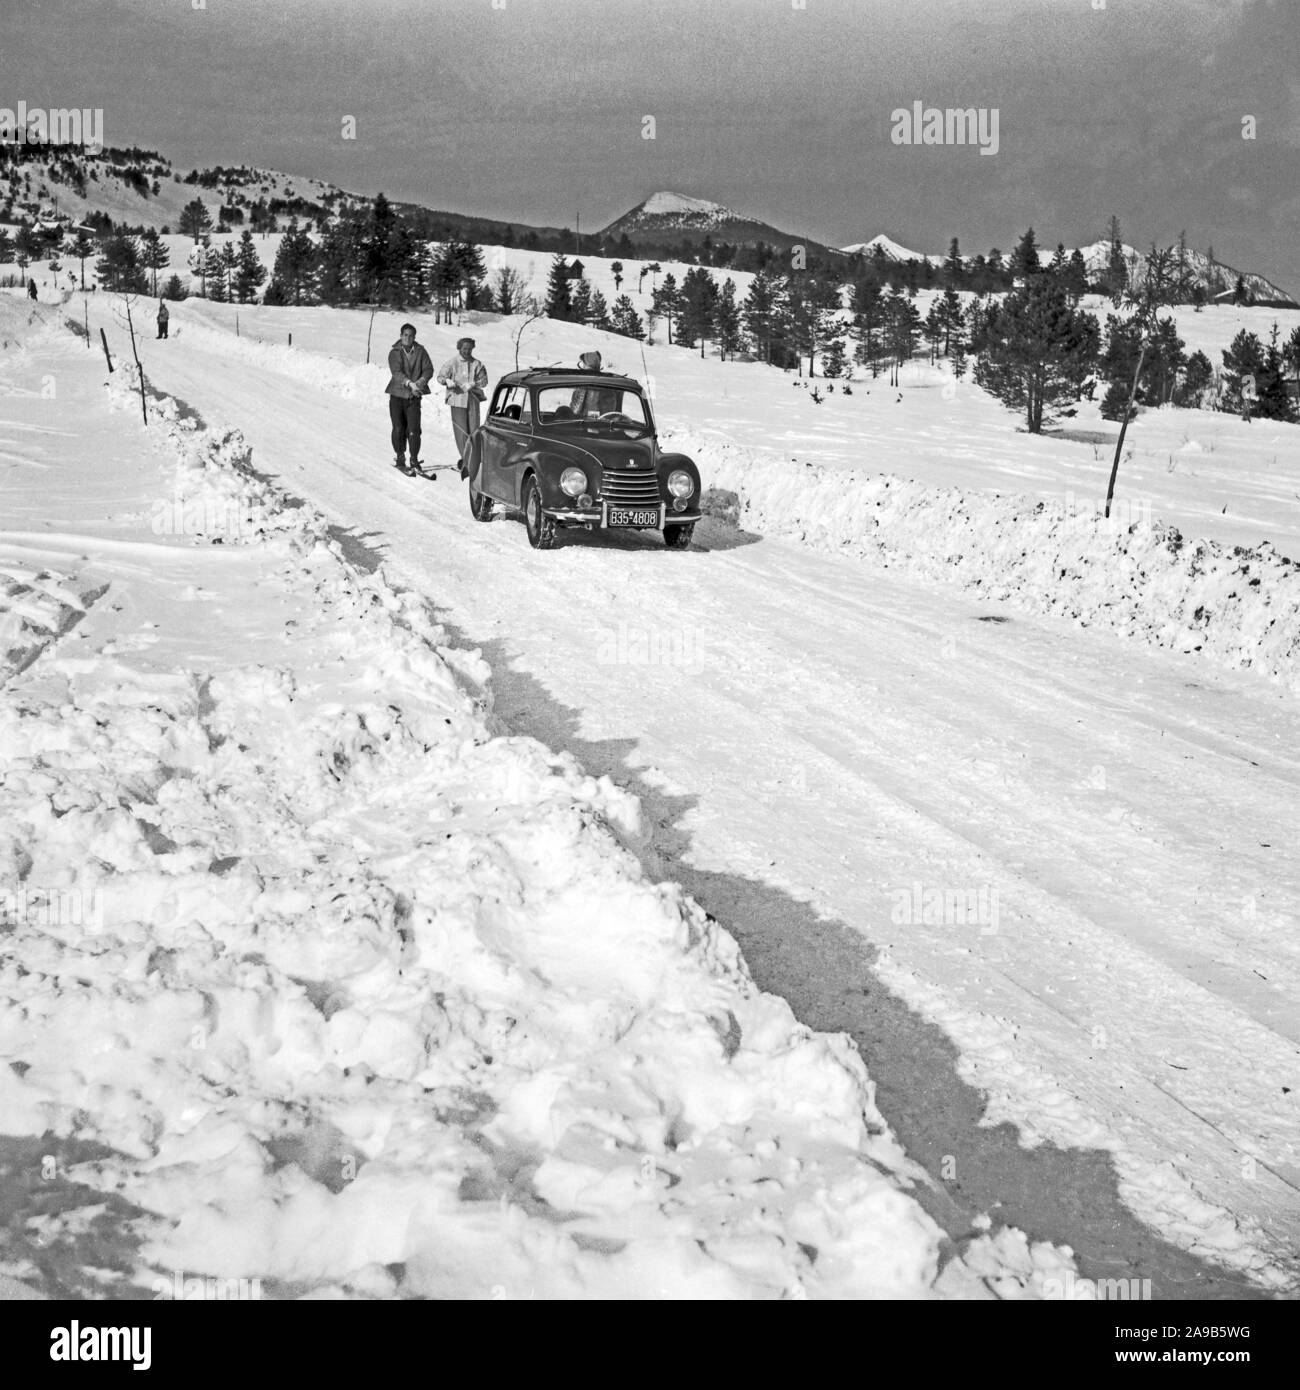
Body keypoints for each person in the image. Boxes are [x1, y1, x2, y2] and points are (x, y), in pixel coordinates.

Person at [386, 322, 434, 472]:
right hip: (397, 395)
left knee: (414, 430)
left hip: (414, 397)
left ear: (414, 337)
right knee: (399, 428)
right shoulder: (394, 352)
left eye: (411, 335)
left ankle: (414, 459)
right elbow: (397, 372)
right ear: (401, 336)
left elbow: (428, 369)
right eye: (405, 335)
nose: (408, 338)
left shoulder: (421, 351)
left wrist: (419, 383)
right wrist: (409, 383)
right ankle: (400, 457)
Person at [436, 337, 488, 469]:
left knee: (474, 430)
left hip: (472, 400)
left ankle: (474, 459)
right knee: (461, 432)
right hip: (457, 400)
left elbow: (484, 381)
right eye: (464, 348)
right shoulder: (452, 363)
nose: (467, 351)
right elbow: (440, 377)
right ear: (459, 348)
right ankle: (466, 460)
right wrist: (447, 381)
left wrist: (474, 383)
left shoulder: (477, 364)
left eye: (470, 349)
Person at [570, 350, 620, 417]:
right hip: (593, 424)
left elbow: (575, 410)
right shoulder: (608, 385)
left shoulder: (585, 384)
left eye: (583, 365)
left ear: (588, 365)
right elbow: (574, 410)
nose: (581, 368)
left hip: (589, 424)